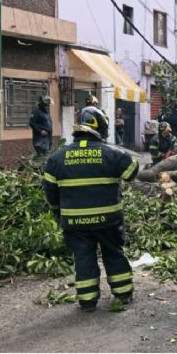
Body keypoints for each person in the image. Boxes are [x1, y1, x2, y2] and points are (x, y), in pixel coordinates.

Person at [42, 110, 139, 312]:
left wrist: (57, 212)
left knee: (83, 258)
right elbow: (132, 172)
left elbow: (50, 192)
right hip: (108, 220)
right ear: (101, 128)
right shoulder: (111, 153)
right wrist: (117, 152)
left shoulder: (57, 158)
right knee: (113, 253)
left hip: (75, 223)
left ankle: (87, 302)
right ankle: (123, 295)